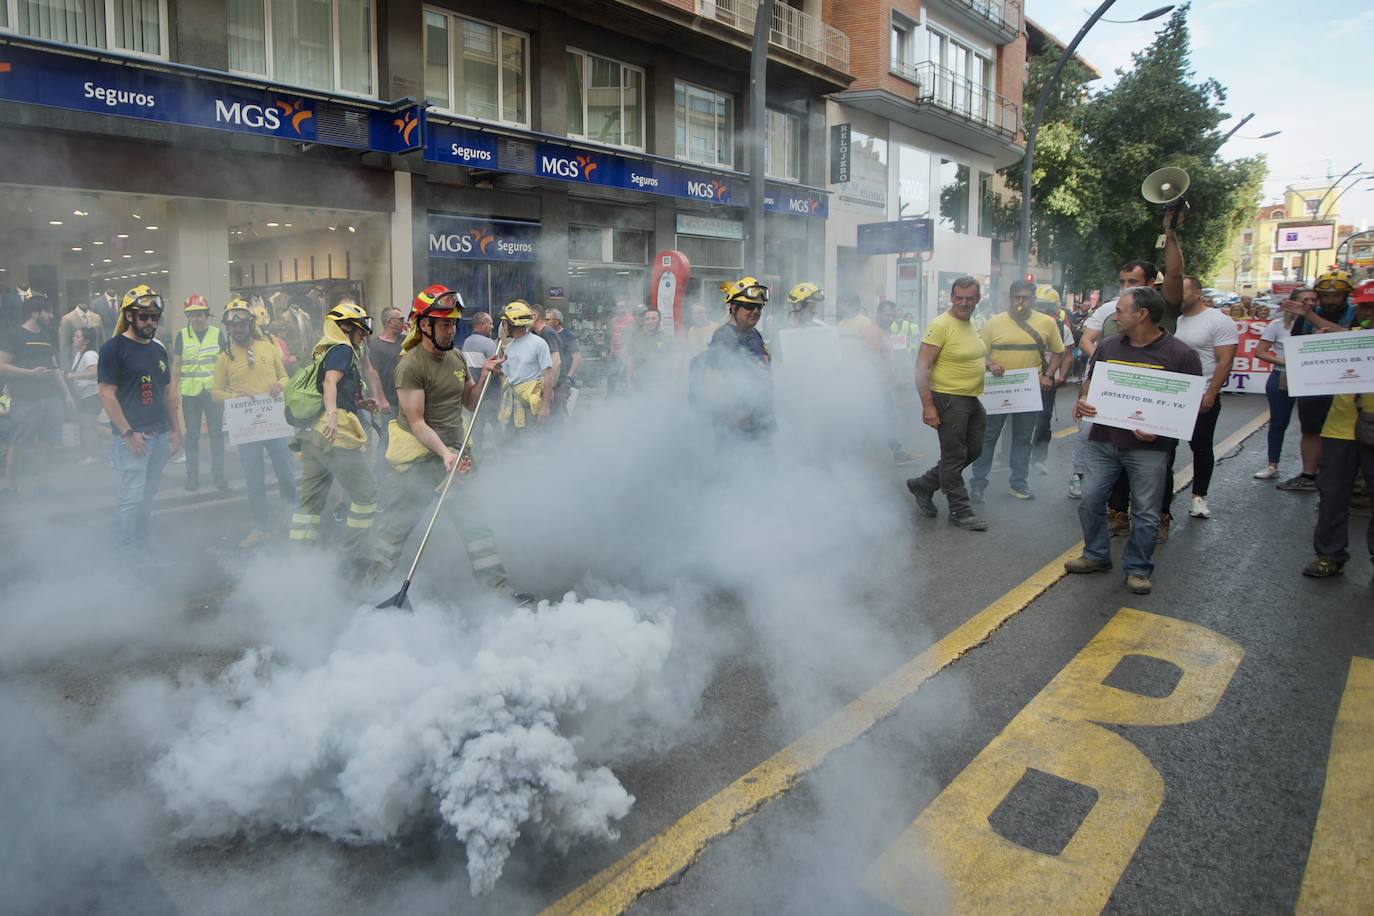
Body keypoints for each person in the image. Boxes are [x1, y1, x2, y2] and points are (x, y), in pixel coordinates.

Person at [367, 285, 513, 592]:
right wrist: (444, 453)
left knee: (476, 526)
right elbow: (417, 422)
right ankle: (372, 591)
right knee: (394, 531)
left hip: (455, 457)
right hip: (418, 462)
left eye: (454, 324)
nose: (451, 330)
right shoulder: (410, 365)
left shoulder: (457, 358)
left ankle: (498, 592)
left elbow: (470, 402)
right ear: (424, 325)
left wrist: (485, 374)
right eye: (445, 324)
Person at [1064, 287, 1202, 595]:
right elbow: (1089, 384)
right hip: (1104, 441)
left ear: (1142, 315)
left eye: (1121, 311)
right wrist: (1083, 401)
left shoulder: (1181, 355)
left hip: (1148, 449)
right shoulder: (1109, 345)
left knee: (1146, 511)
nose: (1115, 316)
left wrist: (1160, 429)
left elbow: (1189, 408)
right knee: (1090, 499)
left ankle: (1139, 568)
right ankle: (1096, 555)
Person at [1069, 215, 1185, 498]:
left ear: (1150, 283)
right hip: (1117, 398)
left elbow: (1175, 275)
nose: (1125, 287)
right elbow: (1098, 362)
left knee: (1155, 468)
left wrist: (1169, 232)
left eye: (1132, 281)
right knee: (1113, 456)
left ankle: (1159, 517)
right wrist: (1086, 397)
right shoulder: (1113, 311)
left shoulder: (1163, 308)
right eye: (1122, 281)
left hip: (1152, 399)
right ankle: (1117, 512)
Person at [287, 302, 381, 566]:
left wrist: (361, 403)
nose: (362, 338)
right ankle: (354, 555)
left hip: (313, 437)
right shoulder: (342, 349)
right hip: (334, 435)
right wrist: (332, 414)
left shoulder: (326, 351)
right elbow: (329, 382)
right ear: (346, 329)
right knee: (367, 495)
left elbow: (336, 390)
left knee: (310, 503)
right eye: (360, 332)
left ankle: (299, 558)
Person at [97, 286, 182, 547]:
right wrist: (128, 433)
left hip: (158, 436)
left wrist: (176, 430)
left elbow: (168, 393)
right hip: (133, 438)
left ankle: (142, 544)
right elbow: (106, 395)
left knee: (148, 495)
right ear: (130, 316)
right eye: (144, 316)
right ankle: (124, 553)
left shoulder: (158, 350)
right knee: (131, 498)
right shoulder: (113, 349)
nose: (150, 322)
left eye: (154, 317)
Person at [906, 277, 992, 531]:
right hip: (948, 398)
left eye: (969, 298)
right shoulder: (940, 325)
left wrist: (990, 364)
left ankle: (924, 484)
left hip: (971, 398)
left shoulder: (971, 323)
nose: (964, 303)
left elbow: (969, 354)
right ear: (951, 298)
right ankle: (959, 510)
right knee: (954, 456)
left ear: (977, 299)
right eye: (959, 298)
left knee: (973, 450)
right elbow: (922, 367)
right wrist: (928, 406)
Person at [969, 279, 1066, 502]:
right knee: (988, 437)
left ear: (1033, 299)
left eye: (1025, 297)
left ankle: (1019, 483)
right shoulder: (994, 323)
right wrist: (989, 364)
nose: (1019, 302)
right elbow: (980, 352)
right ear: (1009, 298)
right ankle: (978, 484)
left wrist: (1049, 375)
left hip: (1028, 391)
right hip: (998, 389)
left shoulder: (1047, 323)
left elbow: (1058, 352)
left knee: (1022, 438)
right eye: (1016, 297)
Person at [1301, 281, 1374, 578]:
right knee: (1331, 494)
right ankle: (1329, 555)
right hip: (1340, 427)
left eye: (1370, 306)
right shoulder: (1352, 335)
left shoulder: (1354, 337)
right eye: (1364, 306)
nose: (1366, 311)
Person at [212, 299, 296, 548]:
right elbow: (216, 392)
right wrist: (233, 397)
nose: (237, 330)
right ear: (228, 328)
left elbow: (285, 376)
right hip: (247, 426)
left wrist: (282, 383)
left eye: (241, 325)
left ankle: (292, 520)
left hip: (274, 423)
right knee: (254, 478)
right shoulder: (224, 358)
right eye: (232, 326)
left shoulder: (268, 348)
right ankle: (261, 527)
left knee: (286, 474)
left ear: (250, 324)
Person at [1275, 270, 1357, 491]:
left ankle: (1343, 477)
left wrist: (1311, 317)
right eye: (1326, 295)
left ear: (1346, 295)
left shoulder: (1356, 313)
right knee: (1310, 429)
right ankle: (1309, 475)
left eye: (1336, 296)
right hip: (1314, 382)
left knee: (1345, 432)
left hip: (1347, 385)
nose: (1330, 300)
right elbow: (1296, 346)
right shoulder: (1304, 317)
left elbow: (1355, 338)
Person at [1170, 276, 1240, 519]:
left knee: (1200, 446)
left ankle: (1199, 496)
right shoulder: (1172, 320)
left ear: (1198, 293)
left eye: (1183, 292)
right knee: (1164, 449)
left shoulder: (1219, 321)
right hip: (1172, 394)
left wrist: (1210, 394)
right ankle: (1160, 503)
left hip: (1201, 395)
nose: (1178, 297)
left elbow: (1225, 360)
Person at [0, 294, 75, 495]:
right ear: (35, 313)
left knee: (48, 440)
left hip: (50, 398)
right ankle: (10, 484)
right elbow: (2, 365)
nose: (51, 315)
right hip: (25, 399)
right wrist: (30, 374)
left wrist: (66, 394)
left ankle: (43, 483)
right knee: (19, 441)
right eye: (48, 311)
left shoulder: (46, 334)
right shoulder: (13, 334)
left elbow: (55, 366)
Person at [698, 277, 774, 443]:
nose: (755, 311)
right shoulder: (724, 336)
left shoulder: (755, 334)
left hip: (759, 420)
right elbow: (713, 381)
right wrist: (734, 415)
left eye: (758, 307)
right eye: (748, 306)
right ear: (733, 307)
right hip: (737, 427)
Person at [172, 295, 226, 492]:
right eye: (192, 315)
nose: (196, 318)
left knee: (216, 435)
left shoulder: (217, 334)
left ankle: (218, 474)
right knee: (192, 436)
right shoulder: (182, 335)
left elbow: (224, 364)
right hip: (191, 394)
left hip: (213, 392)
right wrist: (173, 390)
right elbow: (177, 365)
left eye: (200, 315)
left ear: (207, 315)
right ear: (188, 316)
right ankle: (192, 477)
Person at [1252, 292, 1303, 479]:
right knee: (1278, 422)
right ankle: (1272, 465)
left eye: (1313, 300)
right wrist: (1286, 361)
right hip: (1283, 376)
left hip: (1313, 379)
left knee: (1312, 425)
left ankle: (1312, 471)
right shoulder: (1277, 325)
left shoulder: (1320, 326)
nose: (1308, 304)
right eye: (1303, 300)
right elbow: (1260, 352)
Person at [1030, 285, 1075, 475]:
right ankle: (1007, 457)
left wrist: (1061, 376)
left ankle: (1039, 459)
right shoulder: (1021, 324)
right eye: (1038, 306)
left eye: (1046, 307)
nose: (1042, 311)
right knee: (1013, 421)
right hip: (1023, 382)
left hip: (1047, 382)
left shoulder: (1060, 327)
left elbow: (1067, 354)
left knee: (1043, 420)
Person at [495, 300, 554, 439]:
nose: (502, 327)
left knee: (531, 445)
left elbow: (548, 375)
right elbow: (506, 377)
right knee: (511, 443)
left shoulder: (538, 343)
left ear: (513, 323)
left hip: (529, 407)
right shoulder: (509, 347)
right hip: (511, 407)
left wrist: (545, 406)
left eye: (504, 323)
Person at [369, 306, 406, 463]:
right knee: (387, 437)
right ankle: (380, 473)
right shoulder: (375, 346)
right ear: (389, 322)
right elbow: (374, 374)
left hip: (406, 399)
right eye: (401, 320)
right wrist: (382, 400)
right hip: (390, 400)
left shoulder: (405, 341)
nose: (404, 322)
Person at [66, 325, 104, 465]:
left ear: (86, 341)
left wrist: (73, 375)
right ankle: (95, 453)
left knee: (90, 426)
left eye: (78, 336)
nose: (74, 339)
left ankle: (121, 439)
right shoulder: (79, 354)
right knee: (89, 425)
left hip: (92, 394)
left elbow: (94, 373)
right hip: (86, 395)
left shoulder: (89, 355)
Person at [625, 307, 675, 392]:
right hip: (640, 384)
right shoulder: (637, 339)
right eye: (647, 319)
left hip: (661, 384)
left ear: (659, 320)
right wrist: (629, 383)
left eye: (653, 318)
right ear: (644, 321)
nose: (650, 321)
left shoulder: (668, 338)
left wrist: (673, 383)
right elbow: (630, 362)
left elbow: (675, 362)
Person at [544, 308, 582, 417]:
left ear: (557, 321)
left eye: (548, 319)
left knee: (561, 409)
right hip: (550, 377)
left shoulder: (568, 336)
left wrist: (569, 376)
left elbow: (577, 357)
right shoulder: (546, 335)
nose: (545, 322)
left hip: (563, 380)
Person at [58, 294, 104, 373]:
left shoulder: (97, 317)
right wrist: (65, 369)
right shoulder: (67, 319)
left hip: (95, 358)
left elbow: (102, 341)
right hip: (76, 360)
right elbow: (64, 347)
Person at [531, 307, 564, 391]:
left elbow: (556, 362)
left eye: (527, 317)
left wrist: (550, 388)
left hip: (558, 385)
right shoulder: (542, 333)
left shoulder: (546, 333)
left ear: (534, 317)